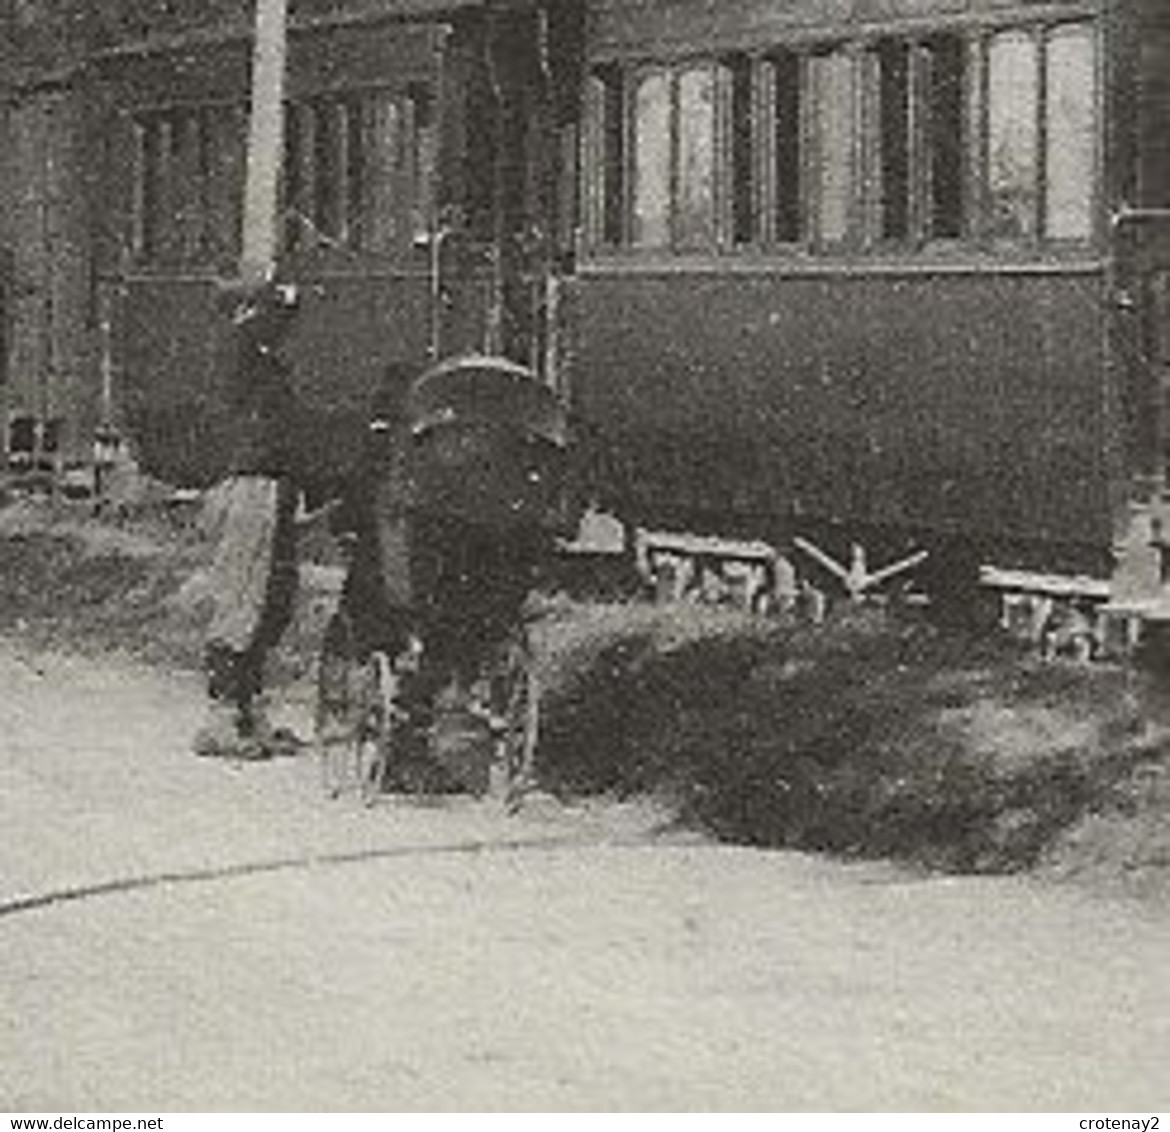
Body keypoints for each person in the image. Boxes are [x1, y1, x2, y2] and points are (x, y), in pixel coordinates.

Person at [193, 278, 306, 759]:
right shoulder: (236, 351)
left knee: (271, 599)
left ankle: (248, 710)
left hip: (270, 482)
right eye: (268, 312)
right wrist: (269, 297)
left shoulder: (257, 357)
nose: (282, 322)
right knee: (243, 598)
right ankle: (222, 717)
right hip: (249, 483)